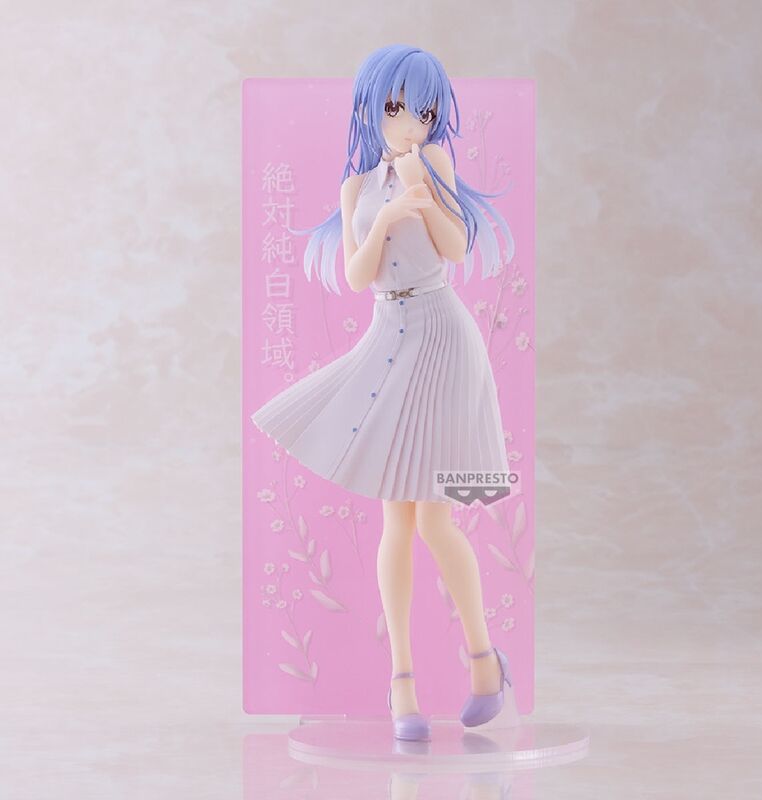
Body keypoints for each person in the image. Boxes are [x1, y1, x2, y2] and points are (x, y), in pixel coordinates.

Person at [251, 44, 518, 741]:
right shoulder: (356, 189)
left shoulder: (436, 164)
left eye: (422, 111)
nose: (409, 123)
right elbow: (357, 274)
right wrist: (391, 211)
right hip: (389, 336)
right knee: (395, 519)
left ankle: (484, 662)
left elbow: (456, 249)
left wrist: (423, 194)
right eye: (396, 108)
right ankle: (403, 685)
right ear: (371, 108)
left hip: (443, 339)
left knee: (436, 520)